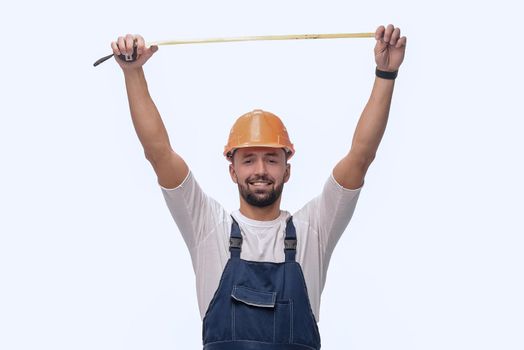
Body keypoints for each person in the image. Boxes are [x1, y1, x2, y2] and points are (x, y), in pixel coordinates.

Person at [111, 24, 406, 350]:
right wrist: (133, 73)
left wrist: (385, 74)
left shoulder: (314, 229)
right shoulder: (208, 227)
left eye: (271, 159)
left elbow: (361, 157)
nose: (261, 170)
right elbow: (158, 153)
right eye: (249, 159)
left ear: (287, 169)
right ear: (233, 171)